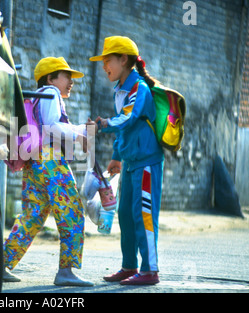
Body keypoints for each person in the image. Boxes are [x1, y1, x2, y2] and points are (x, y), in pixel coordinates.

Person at [2, 57, 93, 287]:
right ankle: (66, 271)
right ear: (51, 78)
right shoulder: (51, 93)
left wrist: (81, 130)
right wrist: (80, 133)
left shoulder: (34, 97)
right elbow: (52, 126)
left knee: (32, 214)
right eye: (66, 76)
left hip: (34, 161)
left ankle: (0, 263)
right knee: (71, 210)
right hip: (50, 160)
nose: (71, 81)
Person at [88, 36, 164, 285]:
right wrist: (116, 157)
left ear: (123, 60)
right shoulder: (119, 90)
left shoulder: (138, 88)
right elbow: (125, 130)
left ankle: (150, 270)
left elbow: (128, 119)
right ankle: (129, 266)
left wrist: (104, 123)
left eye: (107, 61)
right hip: (130, 163)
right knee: (125, 214)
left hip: (146, 163)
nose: (104, 67)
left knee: (143, 215)